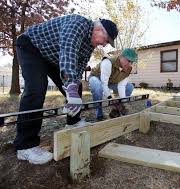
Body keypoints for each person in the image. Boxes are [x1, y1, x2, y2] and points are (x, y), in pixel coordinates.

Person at [15, 14, 118, 164]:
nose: (103, 44)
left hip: (52, 57)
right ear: (98, 29)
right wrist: (70, 88)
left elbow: (78, 66)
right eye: (106, 40)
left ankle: (73, 121)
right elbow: (67, 53)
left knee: (77, 86)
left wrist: (74, 89)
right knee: (36, 89)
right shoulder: (78, 24)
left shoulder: (90, 44)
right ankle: (25, 147)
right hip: (31, 46)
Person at [89, 48, 137, 121]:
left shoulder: (128, 68)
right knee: (98, 86)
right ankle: (99, 115)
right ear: (121, 57)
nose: (130, 64)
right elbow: (104, 84)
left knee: (129, 87)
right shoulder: (107, 63)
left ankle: (115, 111)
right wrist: (111, 100)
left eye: (132, 62)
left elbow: (122, 86)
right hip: (96, 77)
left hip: (111, 81)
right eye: (128, 61)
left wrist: (122, 102)